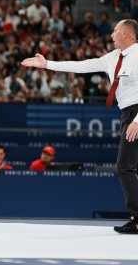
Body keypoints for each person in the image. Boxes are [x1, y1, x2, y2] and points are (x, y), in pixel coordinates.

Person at [21, 18, 138, 234]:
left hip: (136, 115)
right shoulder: (113, 58)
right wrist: (48, 65)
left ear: (126, 34)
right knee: (127, 167)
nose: (111, 34)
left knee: (125, 167)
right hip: (127, 114)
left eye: (115, 30)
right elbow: (82, 66)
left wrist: (137, 120)